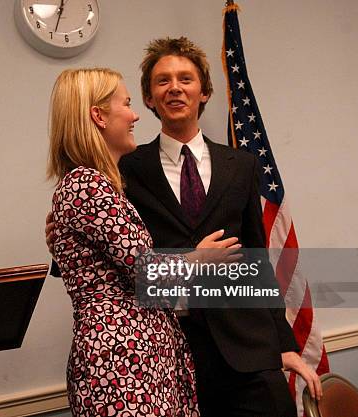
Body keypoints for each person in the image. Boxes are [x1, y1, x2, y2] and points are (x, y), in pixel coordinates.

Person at [117, 36, 322, 417]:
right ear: (148, 98)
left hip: (249, 349)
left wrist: (284, 344)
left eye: (185, 79)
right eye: (162, 81)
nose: (174, 88)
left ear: (205, 91)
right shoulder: (126, 170)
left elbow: (258, 258)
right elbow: (112, 258)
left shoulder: (241, 165)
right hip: (172, 355)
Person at [48, 68, 243, 417]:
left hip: (140, 356)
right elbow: (148, 274)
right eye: (126, 104)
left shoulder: (101, 185)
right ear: (98, 116)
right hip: (121, 362)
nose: (135, 114)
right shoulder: (86, 184)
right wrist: (199, 258)